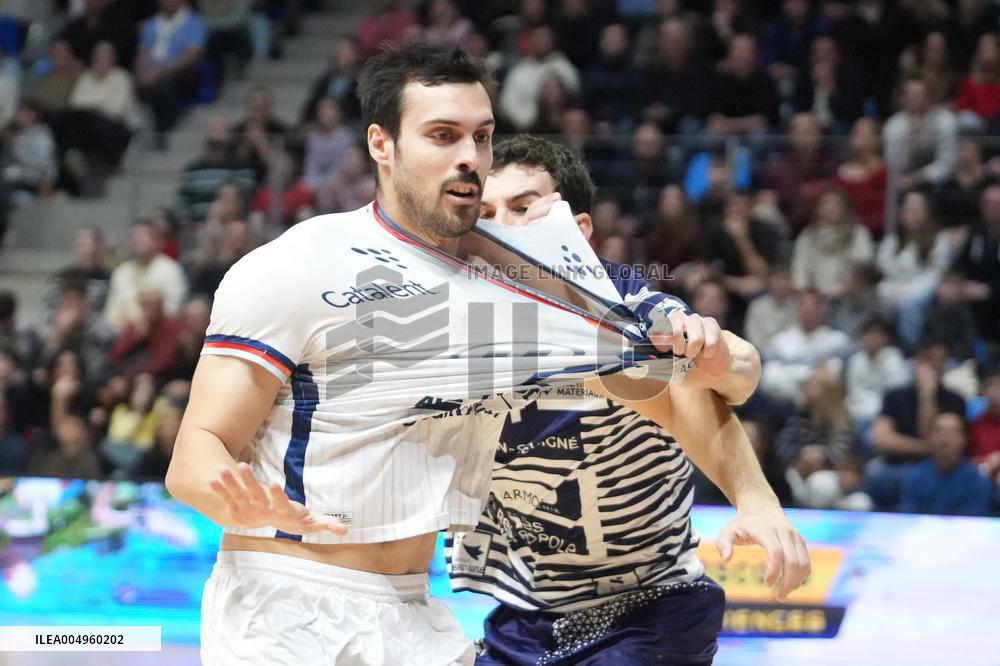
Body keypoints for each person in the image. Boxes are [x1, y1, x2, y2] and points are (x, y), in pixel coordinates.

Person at [166, 44, 743, 666]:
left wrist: (754, 492)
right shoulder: (298, 264)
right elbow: (193, 456)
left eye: (482, 137)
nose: (469, 157)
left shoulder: (513, 281)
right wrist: (234, 497)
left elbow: (675, 383)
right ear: (380, 144)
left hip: (415, 610)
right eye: (443, 135)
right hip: (287, 604)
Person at [448, 135, 809, 665]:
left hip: (649, 609)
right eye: (484, 214)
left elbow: (716, 377)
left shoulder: (628, 309)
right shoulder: (456, 322)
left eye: (523, 207)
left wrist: (756, 499)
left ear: (578, 231)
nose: (500, 225)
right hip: (524, 615)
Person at [899, 411, 992, 515]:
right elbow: (908, 517)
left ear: (963, 439)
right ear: (929, 438)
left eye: (952, 431)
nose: (944, 437)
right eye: (938, 431)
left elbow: (973, 523)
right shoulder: (914, 476)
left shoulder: (976, 480)